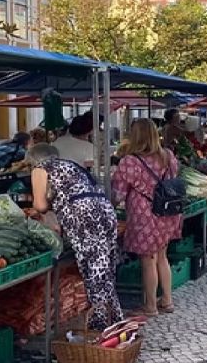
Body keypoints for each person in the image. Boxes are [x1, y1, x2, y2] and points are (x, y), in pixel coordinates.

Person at [26, 143, 123, 329]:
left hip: (84, 218)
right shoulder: (69, 165)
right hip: (105, 212)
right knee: (105, 271)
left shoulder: (41, 168)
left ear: (33, 159)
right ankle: (115, 320)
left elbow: (40, 206)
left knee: (94, 272)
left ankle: (101, 326)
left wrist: (42, 206)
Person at [111, 119, 182, 317]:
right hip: (167, 213)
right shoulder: (168, 156)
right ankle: (167, 300)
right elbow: (173, 178)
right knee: (161, 256)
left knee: (148, 260)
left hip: (144, 215)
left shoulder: (130, 162)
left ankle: (150, 306)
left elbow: (117, 193)